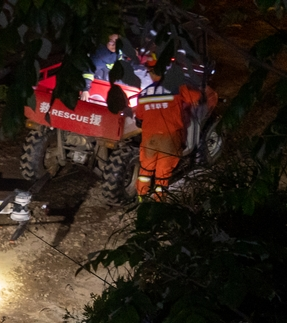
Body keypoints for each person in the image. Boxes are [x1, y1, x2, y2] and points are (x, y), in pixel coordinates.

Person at [133, 54, 205, 200]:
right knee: (162, 175)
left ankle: (141, 200)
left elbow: (139, 117)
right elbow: (196, 97)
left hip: (149, 140)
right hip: (170, 138)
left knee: (145, 171)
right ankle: (159, 203)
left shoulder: (143, 94)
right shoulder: (177, 88)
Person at [80, 34, 125, 101]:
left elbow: (120, 58)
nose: (114, 45)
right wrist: (85, 90)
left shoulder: (118, 50)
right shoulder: (98, 56)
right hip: (98, 78)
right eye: (111, 41)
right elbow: (88, 72)